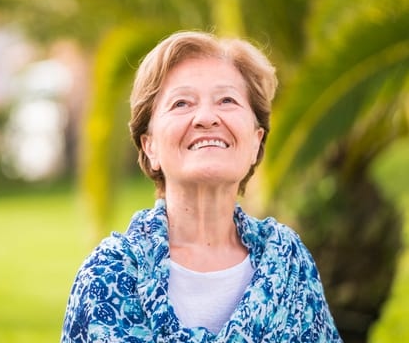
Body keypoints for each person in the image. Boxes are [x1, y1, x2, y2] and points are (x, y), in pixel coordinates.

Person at [61, 31, 341, 342]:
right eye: (181, 103)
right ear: (149, 146)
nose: (207, 117)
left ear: (255, 141)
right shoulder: (106, 275)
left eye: (227, 100)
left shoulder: (289, 265)